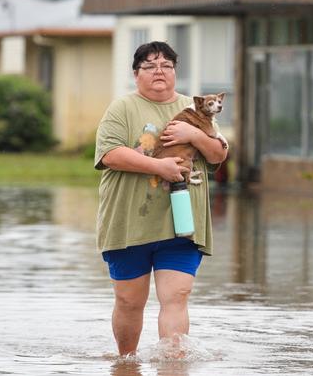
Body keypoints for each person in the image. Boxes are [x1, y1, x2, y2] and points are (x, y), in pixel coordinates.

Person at [94, 41, 228, 356]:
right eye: (150, 66)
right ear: (136, 73)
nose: (159, 71)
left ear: (175, 72)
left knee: (177, 295)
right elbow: (110, 154)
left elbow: (219, 153)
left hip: (180, 223)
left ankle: (173, 365)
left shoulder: (196, 107)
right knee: (129, 302)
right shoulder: (122, 108)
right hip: (130, 223)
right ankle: (126, 363)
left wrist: (194, 136)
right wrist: (159, 166)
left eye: (166, 65)